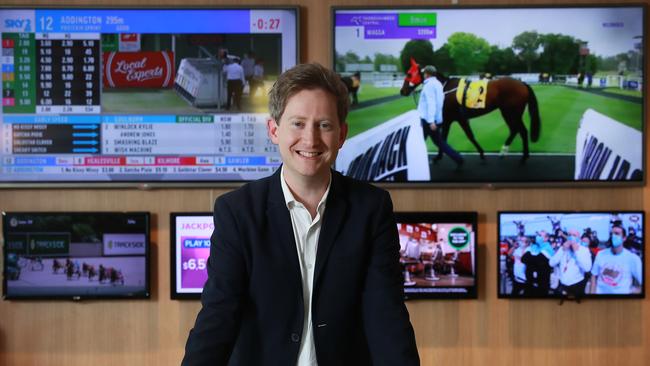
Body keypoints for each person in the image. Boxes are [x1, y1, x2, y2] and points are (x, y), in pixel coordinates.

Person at [182, 62, 419, 366]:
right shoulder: (237, 211)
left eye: (324, 125)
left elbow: (386, 317)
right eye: (298, 123)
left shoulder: (371, 208)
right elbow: (218, 316)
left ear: (342, 134)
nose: (310, 140)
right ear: (274, 130)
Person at [417, 65, 463, 167]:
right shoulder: (438, 84)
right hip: (435, 120)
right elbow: (439, 101)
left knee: (419, 142)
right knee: (439, 142)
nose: (423, 75)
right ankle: (458, 159)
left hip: (427, 121)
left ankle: (418, 162)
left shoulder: (429, 85)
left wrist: (431, 121)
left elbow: (431, 103)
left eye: (424, 73)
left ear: (427, 74)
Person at [590, 225, 643, 295]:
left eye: (617, 234)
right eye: (611, 234)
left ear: (624, 238)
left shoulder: (633, 258)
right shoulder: (601, 254)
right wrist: (592, 295)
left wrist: (632, 293)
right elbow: (593, 275)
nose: (613, 236)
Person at [548, 229, 592, 298]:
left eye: (574, 235)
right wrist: (562, 250)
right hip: (562, 286)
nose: (571, 237)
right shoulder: (563, 248)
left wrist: (576, 251)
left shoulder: (584, 250)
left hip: (576, 286)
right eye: (569, 235)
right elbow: (551, 263)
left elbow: (587, 268)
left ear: (579, 238)